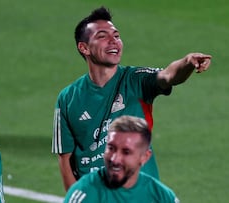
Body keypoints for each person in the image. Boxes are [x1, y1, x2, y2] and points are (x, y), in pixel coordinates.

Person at [52, 6, 212, 191]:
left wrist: (187, 62)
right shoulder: (68, 98)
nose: (114, 41)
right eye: (103, 36)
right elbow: (65, 160)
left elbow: (168, 76)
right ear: (84, 47)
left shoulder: (136, 80)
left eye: (117, 36)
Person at [64, 115, 180, 203]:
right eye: (111, 148)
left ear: (144, 157)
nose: (115, 159)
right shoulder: (84, 194)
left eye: (126, 152)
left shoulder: (162, 197)